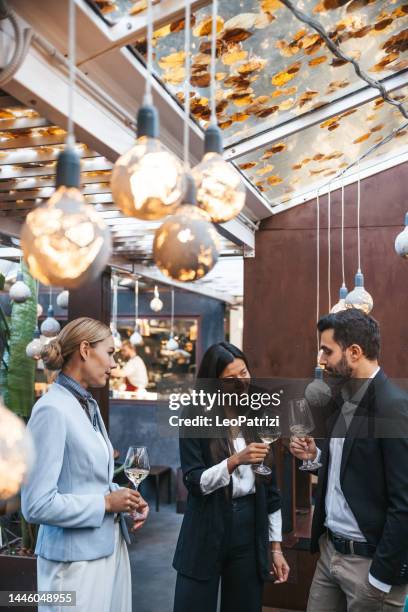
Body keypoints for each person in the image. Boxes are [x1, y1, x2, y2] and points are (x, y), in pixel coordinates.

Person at [21, 317, 149, 612]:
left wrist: (126, 497)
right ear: (85, 350)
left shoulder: (86, 404)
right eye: (110, 352)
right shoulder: (51, 410)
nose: (114, 364)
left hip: (109, 550)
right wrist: (105, 503)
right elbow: (35, 505)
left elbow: (85, 478)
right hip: (73, 565)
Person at [290, 309, 408, 611]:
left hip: (370, 566)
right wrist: (316, 456)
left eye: (327, 350)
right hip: (330, 554)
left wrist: (381, 577)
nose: (321, 359)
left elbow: (404, 503)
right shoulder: (343, 398)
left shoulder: (394, 408)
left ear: (354, 352)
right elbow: (354, 467)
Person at [173, 341, 289, 612]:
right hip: (206, 523)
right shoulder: (194, 414)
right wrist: (235, 461)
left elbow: (271, 491)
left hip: (249, 526)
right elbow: (194, 481)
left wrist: (276, 548)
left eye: (244, 373)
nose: (241, 383)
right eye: (230, 379)